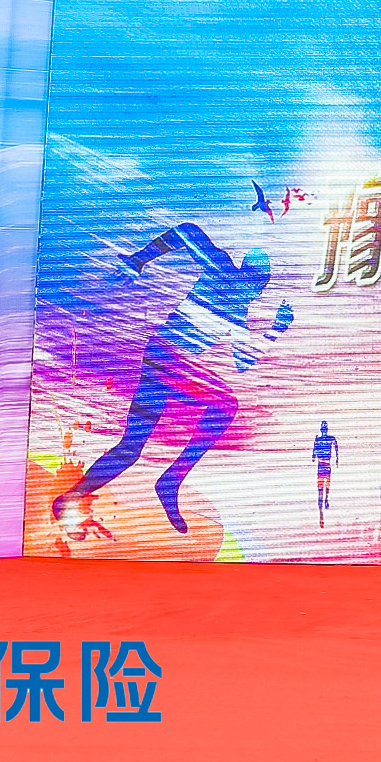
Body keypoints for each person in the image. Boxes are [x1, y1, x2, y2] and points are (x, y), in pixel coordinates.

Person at [51, 222, 292, 535]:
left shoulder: (238, 311)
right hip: (167, 358)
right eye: (257, 286)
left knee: (130, 448)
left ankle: (71, 497)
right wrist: (138, 260)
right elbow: (187, 231)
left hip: (162, 361)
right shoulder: (220, 268)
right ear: (248, 274)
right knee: (226, 405)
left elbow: (242, 362)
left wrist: (275, 330)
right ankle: (171, 480)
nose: (256, 294)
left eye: (259, 291)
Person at [313, 420, 340, 526]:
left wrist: (337, 458)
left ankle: (325, 499)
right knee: (323, 483)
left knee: (326, 483)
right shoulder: (323, 439)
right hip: (323, 463)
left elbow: (335, 446)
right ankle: (323, 501)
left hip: (324, 463)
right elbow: (314, 454)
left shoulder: (324, 439)